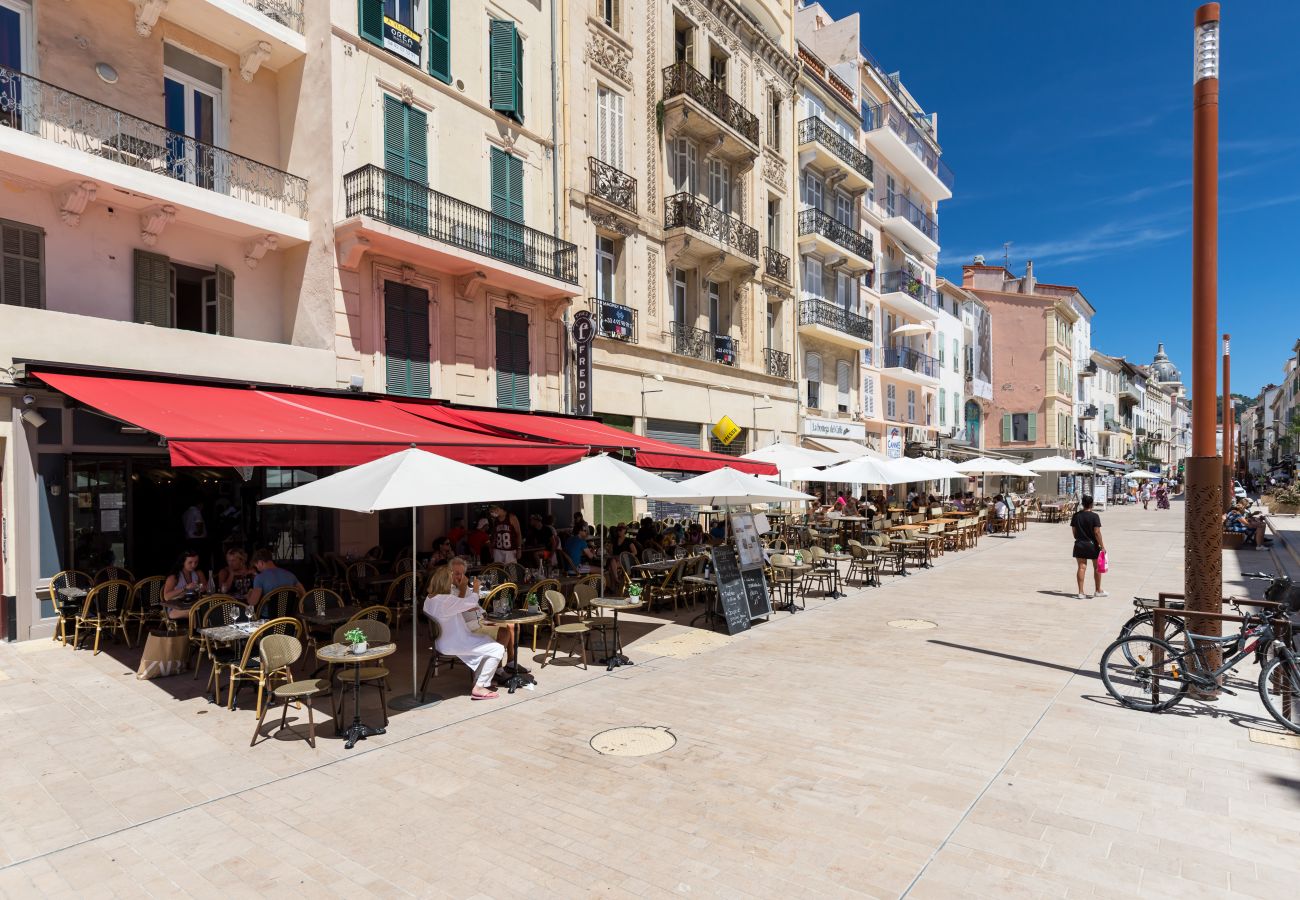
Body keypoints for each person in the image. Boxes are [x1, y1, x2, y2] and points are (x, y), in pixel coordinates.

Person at [423, 558, 511, 700]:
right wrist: (475, 587)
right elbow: (471, 601)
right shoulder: (445, 600)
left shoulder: (430, 599)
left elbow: (463, 604)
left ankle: (478, 679)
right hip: (454, 643)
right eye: (452, 577)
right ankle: (479, 686)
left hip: (441, 641)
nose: (454, 580)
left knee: (487, 641)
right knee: (497, 649)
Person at [1070, 495, 1107, 599]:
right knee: (1096, 567)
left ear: (1083, 503)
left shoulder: (1076, 515)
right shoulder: (1095, 516)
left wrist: (1079, 538)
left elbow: (1074, 532)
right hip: (1092, 545)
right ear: (1091, 504)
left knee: (1081, 567)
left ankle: (1081, 592)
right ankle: (1098, 590)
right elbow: (1097, 532)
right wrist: (1102, 546)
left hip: (1080, 544)